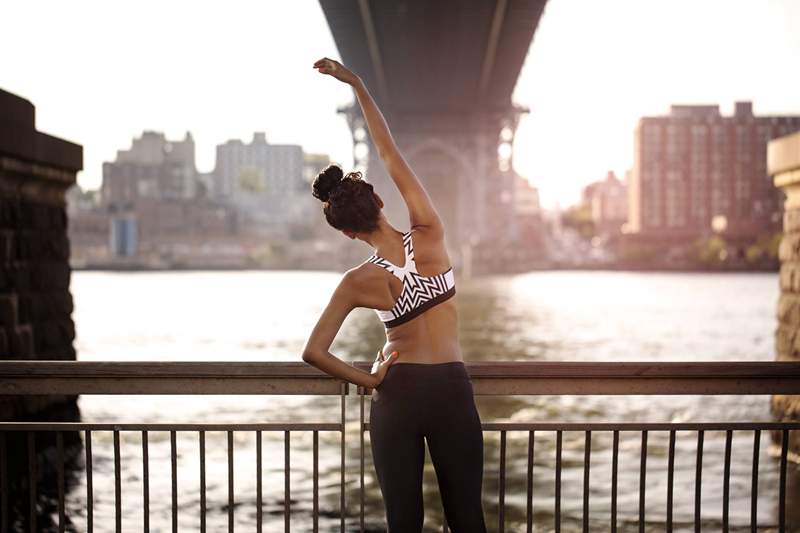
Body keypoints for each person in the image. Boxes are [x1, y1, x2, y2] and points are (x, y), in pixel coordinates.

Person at [301, 57, 487, 532]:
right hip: (451, 390)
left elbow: (314, 352)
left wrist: (372, 379)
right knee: (467, 521)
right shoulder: (429, 234)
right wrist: (358, 84)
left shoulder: (357, 281)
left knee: (403, 524)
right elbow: (389, 155)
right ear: (381, 202)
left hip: (397, 397)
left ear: (344, 233)